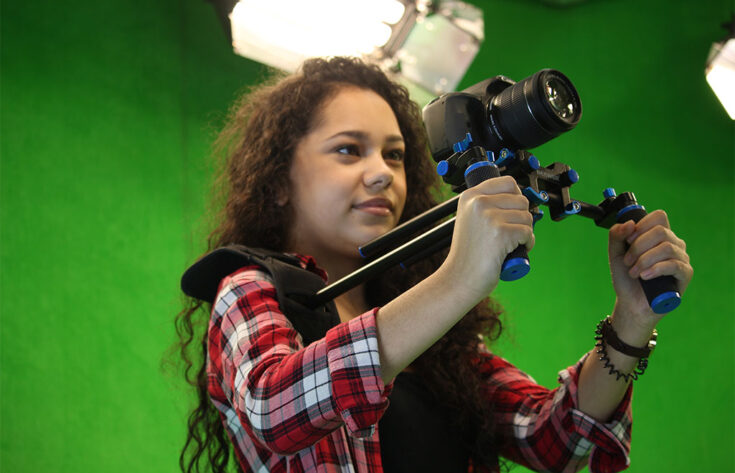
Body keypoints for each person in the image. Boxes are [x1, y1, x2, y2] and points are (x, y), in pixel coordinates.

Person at [175, 56, 692, 473]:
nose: (381, 174)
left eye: (395, 155)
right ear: (279, 180)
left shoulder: (429, 325)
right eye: (349, 150)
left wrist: (632, 321)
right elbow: (272, 408)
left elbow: (556, 441)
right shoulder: (248, 287)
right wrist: (458, 280)